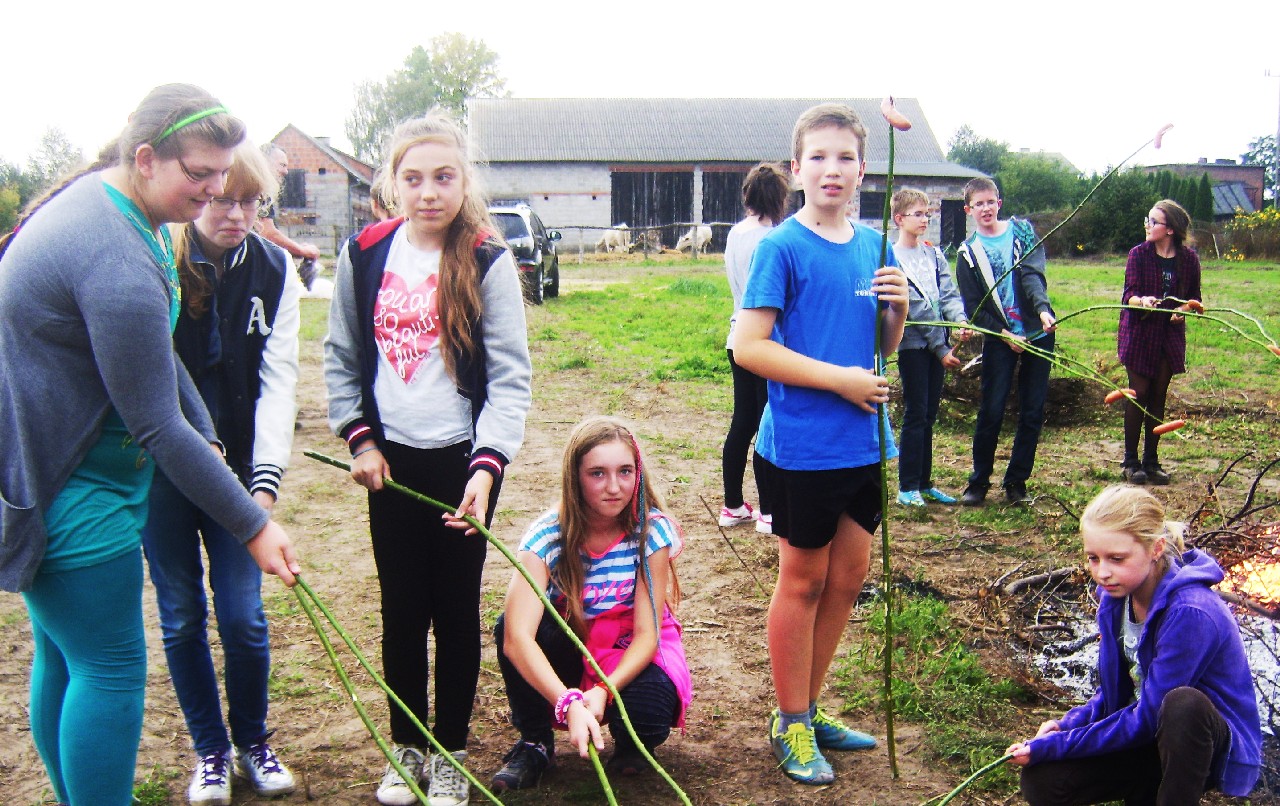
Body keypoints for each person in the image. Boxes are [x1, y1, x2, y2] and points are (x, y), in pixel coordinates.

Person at [0, 83, 298, 806]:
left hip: (59, 467)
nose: (215, 190)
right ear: (144, 158)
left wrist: (210, 438)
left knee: (65, 655)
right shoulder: (116, 253)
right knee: (107, 667)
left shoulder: (132, 216)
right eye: (200, 173)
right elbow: (156, 424)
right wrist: (253, 524)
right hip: (68, 484)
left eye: (223, 173)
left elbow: (156, 359)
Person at [324, 112, 532, 806]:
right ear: (392, 183)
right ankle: (406, 747)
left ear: (464, 180)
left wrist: (485, 468)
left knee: (455, 610)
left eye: (444, 177)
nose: (428, 192)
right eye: (412, 178)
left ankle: (451, 751)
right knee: (403, 610)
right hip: (389, 467)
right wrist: (360, 440)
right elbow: (341, 358)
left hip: (463, 470)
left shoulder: (487, 259)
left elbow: (509, 379)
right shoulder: (363, 255)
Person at [734, 102, 909, 785]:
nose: (831, 169)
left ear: (863, 170)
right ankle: (789, 720)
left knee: (848, 578)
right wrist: (839, 380)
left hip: (865, 442)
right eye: (818, 157)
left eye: (845, 158)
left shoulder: (875, 246)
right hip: (803, 448)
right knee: (803, 580)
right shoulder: (782, 247)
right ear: (796, 167)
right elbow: (750, 347)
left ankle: (808, 704)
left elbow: (882, 347)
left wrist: (898, 309)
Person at [141, 143, 302, 805]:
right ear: (198, 193)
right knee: (181, 614)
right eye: (222, 199)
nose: (236, 214)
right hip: (163, 470)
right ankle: (210, 751)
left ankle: (253, 742)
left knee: (244, 618)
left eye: (250, 202)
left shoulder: (274, 269)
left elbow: (279, 379)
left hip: (235, 474)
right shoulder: (157, 261)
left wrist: (262, 483)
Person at [1006, 484, 1261, 805]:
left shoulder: (1190, 611)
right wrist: (1066, 726)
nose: (1102, 572)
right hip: (1148, 728)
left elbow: (1151, 715)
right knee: (1043, 779)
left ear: (1156, 549)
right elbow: (1119, 692)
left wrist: (1058, 745)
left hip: (1202, 743)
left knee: (1182, 705)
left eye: (1116, 558)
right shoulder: (1115, 599)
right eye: (1093, 558)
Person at [488, 416, 692, 792]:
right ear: (575, 478)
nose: (614, 487)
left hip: (626, 646)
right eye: (597, 473)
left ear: (638, 473)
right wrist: (567, 702)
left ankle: (631, 741)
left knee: (647, 717)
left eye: (625, 471)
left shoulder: (650, 532)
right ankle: (535, 742)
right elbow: (517, 638)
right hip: (572, 642)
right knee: (509, 624)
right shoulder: (546, 537)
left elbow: (647, 636)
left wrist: (602, 691)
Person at [953, 177, 1057, 506]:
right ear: (968, 210)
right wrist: (1004, 334)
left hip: (1037, 332)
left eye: (990, 202)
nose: (985, 208)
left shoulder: (1022, 233)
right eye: (978, 204)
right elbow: (975, 308)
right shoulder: (967, 253)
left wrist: (1042, 310)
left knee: (1032, 410)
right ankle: (978, 482)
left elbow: (1033, 276)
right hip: (1000, 337)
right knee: (992, 408)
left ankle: (1017, 482)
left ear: (998, 203)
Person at [720, 161, 791, 535]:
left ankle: (733, 505)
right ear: (780, 198)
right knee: (769, 424)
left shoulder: (735, 234)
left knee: (743, 422)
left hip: (737, 337)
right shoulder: (775, 238)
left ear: (748, 195)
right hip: (767, 341)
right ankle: (769, 510)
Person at [890, 188, 970, 507]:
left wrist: (960, 321)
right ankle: (907, 486)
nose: (925, 220)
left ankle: (924, 483)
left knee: (929, 414)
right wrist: (941, 348)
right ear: (899, 219)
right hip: (913, 345)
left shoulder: (933, 255)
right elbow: (916, 308)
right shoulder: (893, 259)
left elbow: (948, 295)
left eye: (927, 214)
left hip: (940, 344)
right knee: (915, 411)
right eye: (918, 214)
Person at [1117, 200, 1202, 486]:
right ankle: (1130, 462)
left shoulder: (1189, 260)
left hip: (1168, 336)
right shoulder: (1138, 255)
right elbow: (1128, 295)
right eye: (1147, 219)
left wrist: (1183, 310)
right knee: (1138, 393)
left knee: (1157, 396)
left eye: (1153, 222)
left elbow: (1195, 298)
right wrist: (1142, 301)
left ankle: (1151, 462)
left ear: (1170, 230)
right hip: (1139, 333)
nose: (1147, 225)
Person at [256, 143, 321, 288]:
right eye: (282, 165)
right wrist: (302, 251)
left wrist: (297, 248)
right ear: (265, 163)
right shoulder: (259, 191)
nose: (286, 172)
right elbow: (267, 233)